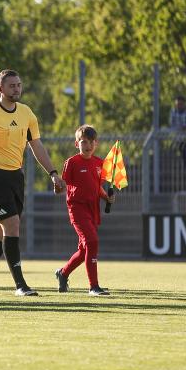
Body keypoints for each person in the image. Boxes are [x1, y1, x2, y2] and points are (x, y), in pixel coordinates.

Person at [0, 69, 66, 296]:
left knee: (3, 233)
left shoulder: (27, 113)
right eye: (12, 85)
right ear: (0, 88)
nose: (17, 89)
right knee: (12, 226)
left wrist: (53, 173)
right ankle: (20, 285)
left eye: (19, 85)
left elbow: (36, 145)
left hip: (15, 177)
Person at [54, 125, 115, 296]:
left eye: (91, 142)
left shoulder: (99, 163)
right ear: (77, 144)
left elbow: (96, 187)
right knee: (92, 242)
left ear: (96, 143)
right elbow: (62, 187)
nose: (88, 145)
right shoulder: (72, 162)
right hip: (77, 209)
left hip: (92, 209)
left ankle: (63, 273)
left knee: (84, 250)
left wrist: (106, 197)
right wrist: (57, 187)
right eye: (84, 142)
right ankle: (93, 287)